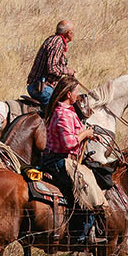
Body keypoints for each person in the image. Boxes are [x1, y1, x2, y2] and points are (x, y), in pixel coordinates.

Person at [37, 76, 107, 244]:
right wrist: (85, 134)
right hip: (58, 161)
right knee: (86, 188)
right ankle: (80, 235)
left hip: (61, 159)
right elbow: (69, 143)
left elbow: (75, 133)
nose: (78, 94)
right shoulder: (62, 113)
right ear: (69, 94)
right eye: (76, 91)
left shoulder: (67, 111)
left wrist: (89, 135)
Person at [26, 21, 75, 104]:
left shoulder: (53, 39)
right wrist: (68, 71)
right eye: (73, 32)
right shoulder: (58, 43)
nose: (74, 34)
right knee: (61, 106)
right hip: (42, 88)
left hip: (37, 86)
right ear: (68, 33)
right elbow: (52, 68)